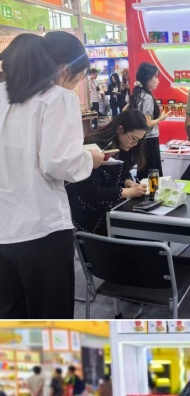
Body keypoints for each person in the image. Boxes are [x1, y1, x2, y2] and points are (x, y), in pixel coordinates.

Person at [0, 32, 105, 319]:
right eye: (76, 79)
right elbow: (58, 163)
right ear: (64, 69)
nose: (74, 86)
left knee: (11, 318)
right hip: (41, 227)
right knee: (51, 321)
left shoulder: (3, 94)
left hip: (5, 228)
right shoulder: (56, 97)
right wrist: (90, 158)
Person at [66, 110, 148, 235]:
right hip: (91, 219)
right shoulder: (93, 148)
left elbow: (122, 172)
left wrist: (128, 182)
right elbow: (92, 192)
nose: (135, 144)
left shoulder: (123, 147)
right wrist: (127, 192)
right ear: (120, 129)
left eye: (138, 141)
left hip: (110, 211)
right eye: (133, 139)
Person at [130, 62, 169, 180]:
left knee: (144, 171)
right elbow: (148, 124)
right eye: (156, 77)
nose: (158, 81)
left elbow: (124, 110)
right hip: (150, 140)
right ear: (147, 79)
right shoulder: (147, 97)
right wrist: (161, 118)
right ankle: (153, 191)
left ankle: (143, 189)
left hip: (141, 140)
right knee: (153, 172)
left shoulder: (138, 94)